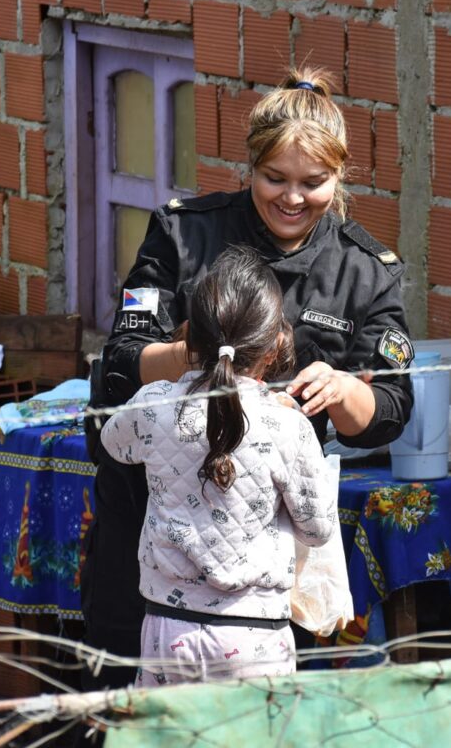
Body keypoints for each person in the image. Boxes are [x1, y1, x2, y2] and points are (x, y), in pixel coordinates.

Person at [81, 68, 414, 689]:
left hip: (267, 573)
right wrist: (202, 357)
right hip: (155, 546)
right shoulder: (186, 234)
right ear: (249, 167)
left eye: (314, 184)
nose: (292, 199)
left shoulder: (364, 271)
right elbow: (120, 365)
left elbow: (392, 406)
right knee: (133, 715)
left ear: (339, 179)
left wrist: (344, 392)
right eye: (274, 179)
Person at [98, 246, 336, 684]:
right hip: (257, 637)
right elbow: (317, 529)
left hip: (168, 630)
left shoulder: (155, 406)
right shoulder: (287, 426)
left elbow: (112, 441)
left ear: (189, 339)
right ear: (275, 346)